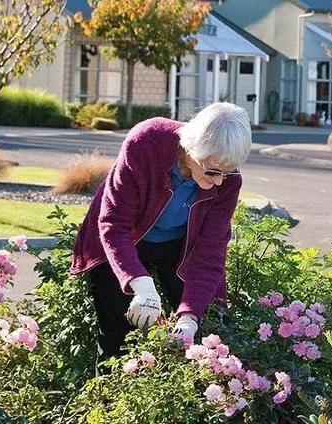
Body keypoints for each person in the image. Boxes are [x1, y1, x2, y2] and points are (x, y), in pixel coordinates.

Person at [70, 102, 252, 364]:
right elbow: (114, 224)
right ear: (192, 149)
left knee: (203, 332)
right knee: (116, 338)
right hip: (124, 242)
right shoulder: (147, 142)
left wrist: (189, 316)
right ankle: (108, 401)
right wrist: (142, 286)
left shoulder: (228, 181)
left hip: (178, 248)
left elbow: (209, 254)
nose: (219, 181)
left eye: (226, 172)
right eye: (212, 171)